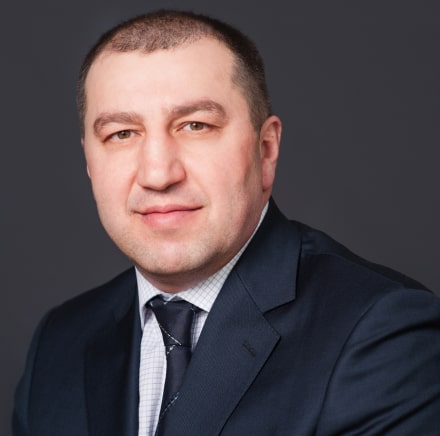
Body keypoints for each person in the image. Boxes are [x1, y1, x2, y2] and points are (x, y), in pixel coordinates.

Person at [13, 9, 440, 436]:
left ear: (266, 150)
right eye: (122, 134)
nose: (158, 174)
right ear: (89, 162)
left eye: (195, 125)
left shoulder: (382, 333)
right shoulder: (59, 343)